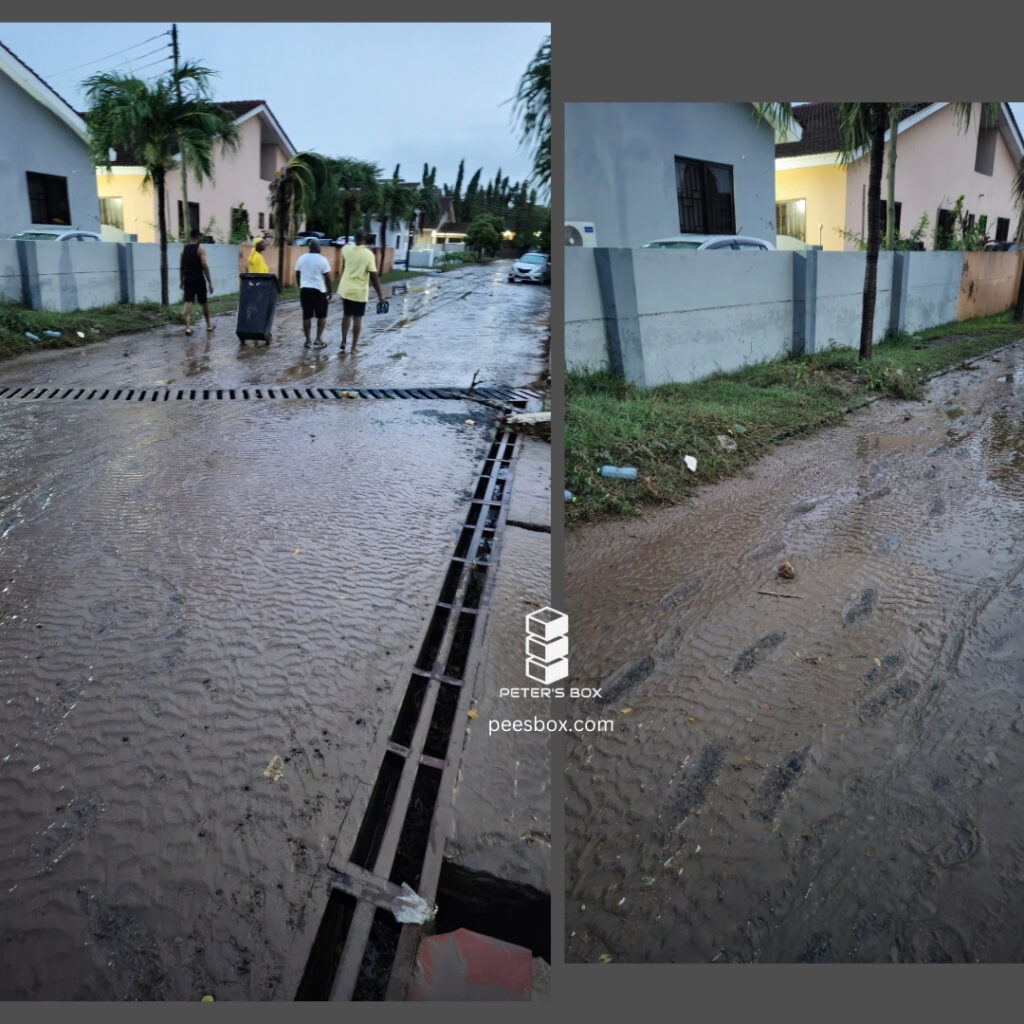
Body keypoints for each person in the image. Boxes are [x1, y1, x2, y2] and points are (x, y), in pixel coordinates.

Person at [337, 227, 386, 352]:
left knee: (346, 315)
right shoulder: (368, 254)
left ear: (355, 237)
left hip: (346, 289)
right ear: (364, 239)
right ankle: (353, 347)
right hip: (359, 292)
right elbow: (374, 276)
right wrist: (380, 295)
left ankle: (343, 341)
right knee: (357, 318)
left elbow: (345, 263)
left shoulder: (346, 249)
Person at [294, 238, 333, 347]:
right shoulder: (322, 260)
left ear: (309, 248)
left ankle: (307, 341)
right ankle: (318, 339)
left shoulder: (301, 258)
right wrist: (330, 291)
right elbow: (328, 277)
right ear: (318, 248)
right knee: (322, 316)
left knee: (306, 316)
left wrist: (300, 285)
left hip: (305, 290)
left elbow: (297, 274)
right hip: (319, 291)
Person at [180, 228, 215, 336]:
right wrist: (209, 282)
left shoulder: (183, 250)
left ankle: (188, 328)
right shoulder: (200, 250)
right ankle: (209, 325)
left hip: (188, 278)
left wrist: (181, 280)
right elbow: (204, 266)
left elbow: (181, 267)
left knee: (188, 302)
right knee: (203, 302)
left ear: (191, 237)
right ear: (198, 237)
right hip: (198, 279)